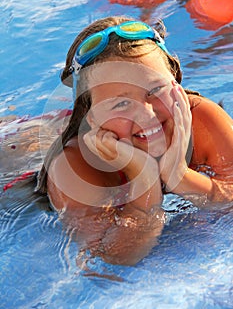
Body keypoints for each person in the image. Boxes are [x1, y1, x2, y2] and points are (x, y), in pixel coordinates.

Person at [36, 16, 233, 265]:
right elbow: (112, 258)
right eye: (121, 104)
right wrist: (145, 179)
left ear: (176, 83)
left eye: (155, 90)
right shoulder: (73, 167)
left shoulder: (202, 120)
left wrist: (179, 175)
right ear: (90, 117)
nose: (147, 115)